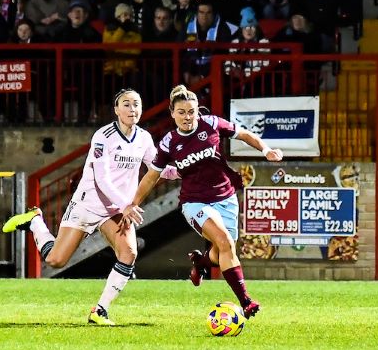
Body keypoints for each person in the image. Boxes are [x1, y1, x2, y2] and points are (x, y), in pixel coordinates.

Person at [1, 89, 177, 326]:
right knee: (55, 261)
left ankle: (100, 311)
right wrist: (126, 204)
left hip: (116, 210)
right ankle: (35, 221)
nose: (132, 109)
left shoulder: (144, 138)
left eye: (136, 104)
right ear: (116, 110)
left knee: (129, 253)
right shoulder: (103, 136)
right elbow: (102, 180)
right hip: (89, 203)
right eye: (126, 104)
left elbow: (157, 168)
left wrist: (183, 169)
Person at [121, 84, 284, 319]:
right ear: (172, 113)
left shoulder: (212, 124)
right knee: (225, 241)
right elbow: (151, 176)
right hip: (195, 202)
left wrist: (266, 150)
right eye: (182, 112)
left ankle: (201, 261)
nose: (188, 117)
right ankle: (246, 301)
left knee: (222, 253)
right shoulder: (169, 142)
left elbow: (245, 134)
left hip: (225, 197)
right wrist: (134, 202)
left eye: (192, 111)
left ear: (198, 111)